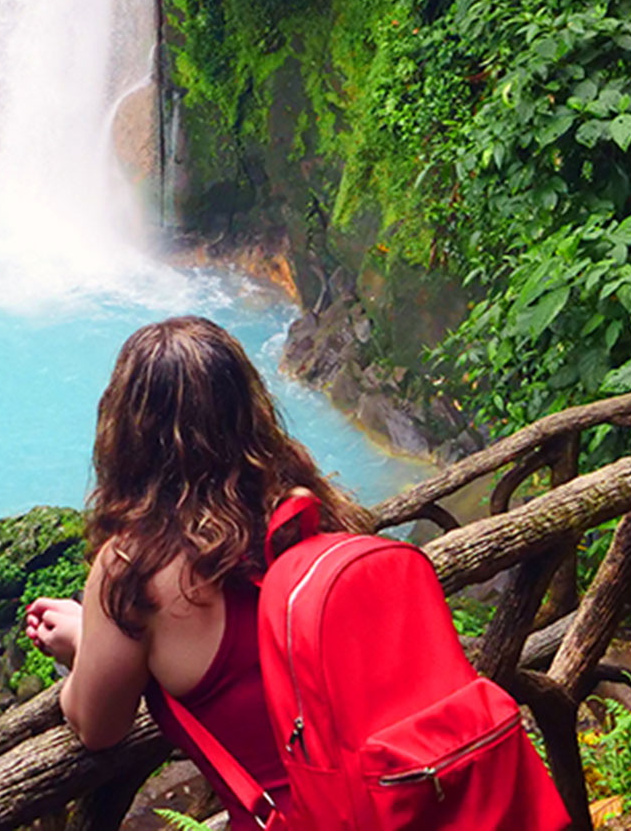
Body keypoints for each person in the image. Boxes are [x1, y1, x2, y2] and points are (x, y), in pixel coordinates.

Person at [24, 315, 375, 827]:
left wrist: (82, 646)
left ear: (126, 431)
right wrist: (94, 634)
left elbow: (96, 726)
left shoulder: (135, 569)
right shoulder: (307, 508)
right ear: (249, 409)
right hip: (407, 797)